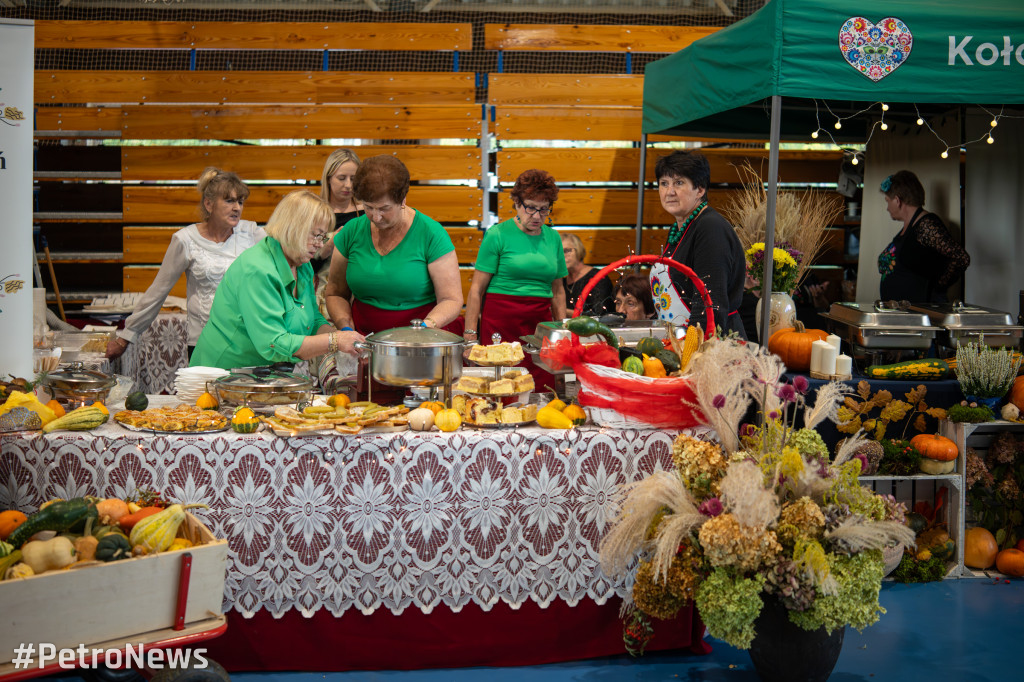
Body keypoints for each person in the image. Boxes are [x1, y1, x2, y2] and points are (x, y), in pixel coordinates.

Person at [190, 190, 363, 370]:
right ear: (294, 228)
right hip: (220, 373)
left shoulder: (302, 265)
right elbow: (273, 343)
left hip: (256, 374)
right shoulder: (257, 270)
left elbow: (312, 319)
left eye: (323, 236)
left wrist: (342, 338)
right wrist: (334, 341)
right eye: (316, 235)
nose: (320, 244)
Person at [105, 168, 264, 361]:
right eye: (229, 201)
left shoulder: (251, 233)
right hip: (205, 344)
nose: (237, 208)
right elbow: (158, 291)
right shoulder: (185, 240)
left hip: (248, 343)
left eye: (240, 201)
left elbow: (285, 256)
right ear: (209, 204)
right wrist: (125, 339)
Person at [324, 155, 463, 335]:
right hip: (363, 337)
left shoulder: (431, 234)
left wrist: (426, 326)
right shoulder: (351, 232)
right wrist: (345, 326)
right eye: (368, 207)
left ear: (403, 200)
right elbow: (335, 293)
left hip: (419, 338)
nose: (376, 217)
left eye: (384, 209)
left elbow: (451, 299)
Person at [464, 169, 568, 350]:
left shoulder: (553, 238)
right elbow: (476, 289)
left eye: (543, 209)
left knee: (541, 375)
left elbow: (558, 291)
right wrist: (470, 335)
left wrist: (563, 332)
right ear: (517, 203)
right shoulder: (497, 234)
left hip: (539, 322)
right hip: (501, 320)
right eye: (530, 207)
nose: (537, 216)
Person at [651, 151, 746, 338]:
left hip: (714, 345)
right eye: (664, 183)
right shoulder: (681, 228)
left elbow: (710, 302)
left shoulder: (710, 228)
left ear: (700, 189)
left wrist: (692, 352)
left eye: (679, 183)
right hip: (683, 339)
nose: (670, 191)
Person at [878, 170, 970, 302]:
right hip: (901, 314)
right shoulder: (909, 226)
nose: (887, 208)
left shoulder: (926, 224)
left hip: (918, 314)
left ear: (897, 200)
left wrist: (936, 288)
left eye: (888, 201)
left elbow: (961, 258)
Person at [311, 149, 362, 316]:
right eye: (341, 178)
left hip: (359, 293)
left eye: (353, 179)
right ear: (328, 178)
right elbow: (300, 264)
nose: (348, 185)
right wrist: (327, 248)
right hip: (321, 293)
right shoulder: (314, 213)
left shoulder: (366, 213)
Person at [561, 232, 613, 316]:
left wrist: (563, 311)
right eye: (558, 252)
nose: (562, 256)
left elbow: (599, 314)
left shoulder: (598, 277)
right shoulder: (561, 282)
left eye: (566, 251)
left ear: (578, 250)